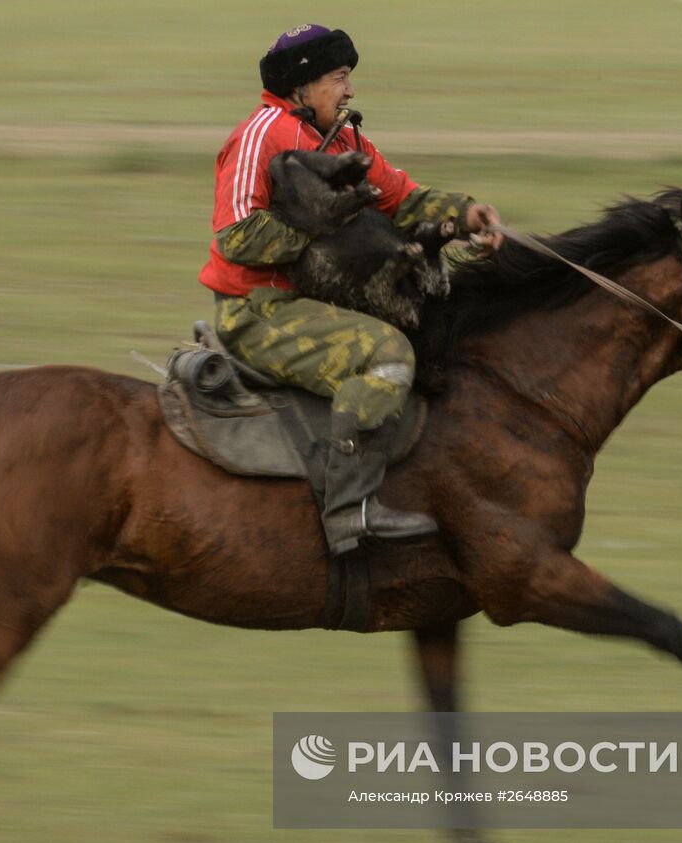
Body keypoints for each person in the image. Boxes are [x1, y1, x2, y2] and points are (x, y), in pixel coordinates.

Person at [198, 24, 507, 557]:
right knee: (388, 356)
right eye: (339, 77)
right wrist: (328, 234)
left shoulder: (342, 140)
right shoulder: (259, 135)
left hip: (315, 302)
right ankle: (349, 510)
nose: (350, 91)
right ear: (302, 85)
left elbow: (401, 199)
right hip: (259, 311)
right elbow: (236, 235)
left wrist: (464, 211)